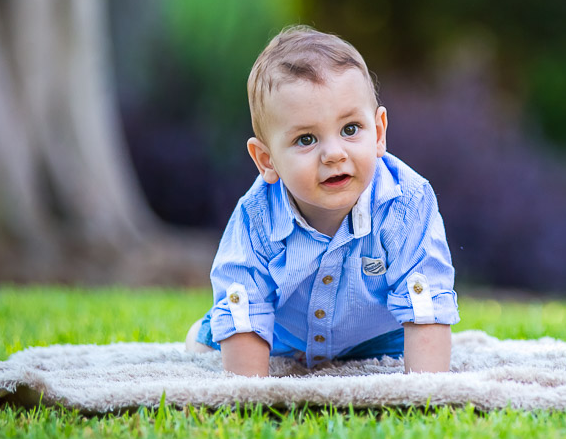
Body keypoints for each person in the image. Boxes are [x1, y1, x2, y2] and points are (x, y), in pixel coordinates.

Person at [184, 26, 458, 375]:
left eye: (349, 129)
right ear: (267, 161)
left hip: (378, 336)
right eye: (306, 138)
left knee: (420, 337)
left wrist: (426, 390)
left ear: (379, 131)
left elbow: (426, 299)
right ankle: (204, 331)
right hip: (283, 334)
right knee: (227, 326)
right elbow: (246, 300)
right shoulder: (257, 216)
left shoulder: (406, 204)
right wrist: (251, 397)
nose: (333, 154)